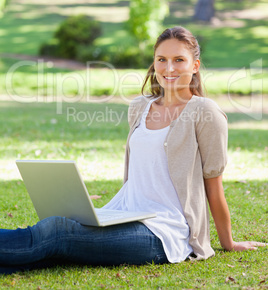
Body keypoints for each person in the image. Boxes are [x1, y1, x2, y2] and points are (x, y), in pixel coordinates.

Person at [0, 26, 266, 275]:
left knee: (57, 232)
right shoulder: (140, 106)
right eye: (161, 59)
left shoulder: (205, 112)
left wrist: (227, 242)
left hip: (165, 233)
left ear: (195, 66)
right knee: (56, 235)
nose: (169, 68)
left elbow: (214, 185)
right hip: (124, 213)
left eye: (179, 60)